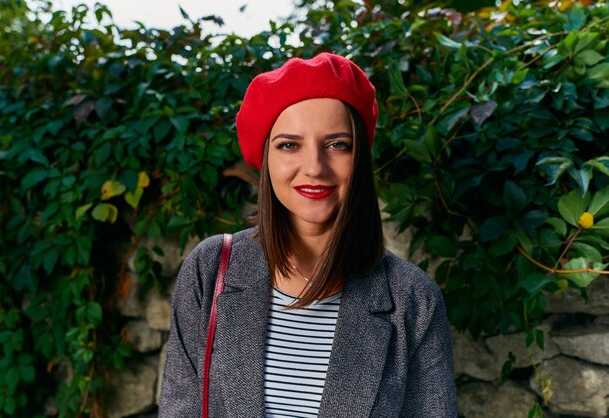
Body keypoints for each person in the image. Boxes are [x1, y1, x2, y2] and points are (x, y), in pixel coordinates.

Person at [159, 52, 457, 417]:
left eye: (337, 144)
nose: (315, 167)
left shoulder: (413, 299)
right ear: (267, 158)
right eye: (289, 145)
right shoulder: (210, 271)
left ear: (359, 157)